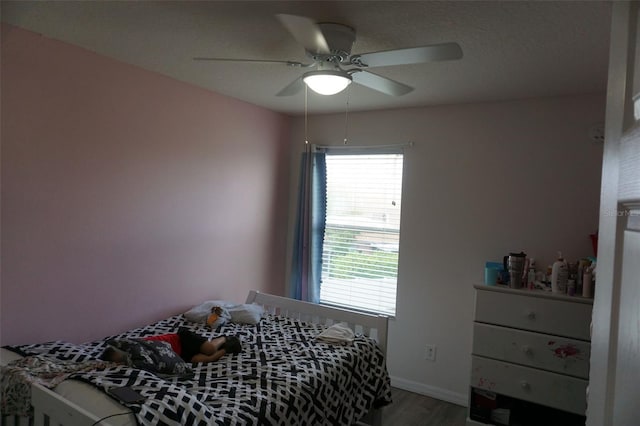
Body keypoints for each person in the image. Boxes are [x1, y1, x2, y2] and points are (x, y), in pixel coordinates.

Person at [101, 327, 242, 364]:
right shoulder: (136, 359)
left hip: (181, 339)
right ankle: (227, 348)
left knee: (209, 349)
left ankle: (224, 338)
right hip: (178, 354)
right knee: (206, 359)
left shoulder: (138, 346)